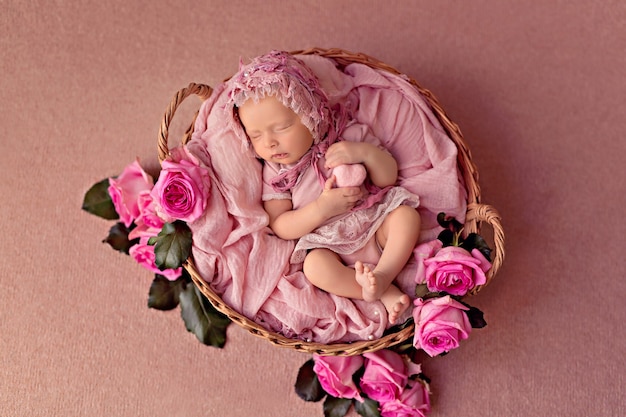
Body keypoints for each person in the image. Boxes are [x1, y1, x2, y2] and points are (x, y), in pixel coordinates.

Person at [228, 51, 421, 324]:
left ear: (310, 114)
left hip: (375, 224)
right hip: (331, 247)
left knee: (405, 216)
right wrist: (321, 209)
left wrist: (364, 153)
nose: (269, 143)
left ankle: (384, 274)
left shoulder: (347, 135)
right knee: (314, 267)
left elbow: (387, 177)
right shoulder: (276, 171)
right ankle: (380, 291)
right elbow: (281, 225)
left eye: (281, 127)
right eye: (256, 135)